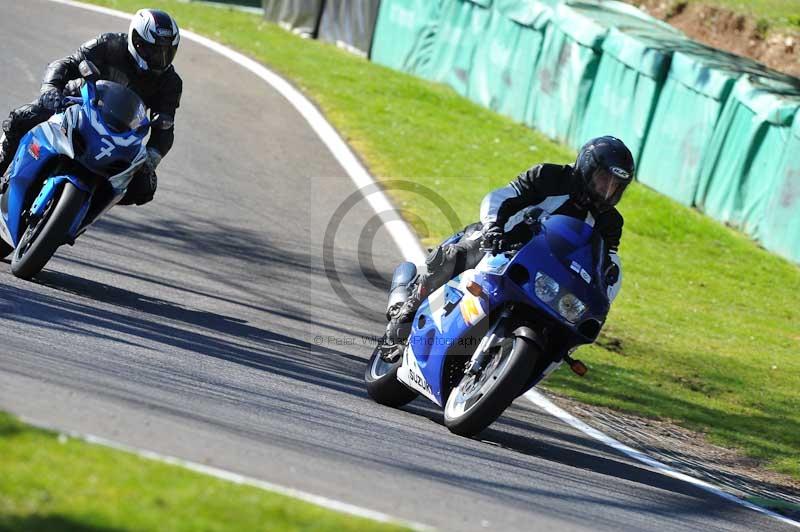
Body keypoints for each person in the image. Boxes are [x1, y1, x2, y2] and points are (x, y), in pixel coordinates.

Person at [386, 135, 634, 345]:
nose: (607, 190)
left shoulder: (610, 222)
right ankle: (410, 308)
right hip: (500, 245)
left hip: (544, 275)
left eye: (615, 186)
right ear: (588, 169)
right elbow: (503, 196)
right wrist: (494, 227)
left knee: (562, 334)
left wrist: (602, 298)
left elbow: (609, 264)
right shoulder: (549, 176)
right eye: (603, 180)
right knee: (456, 255)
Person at [0, 9, 182, 206]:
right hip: (76, 103)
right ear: (137, 41)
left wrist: (153, 155)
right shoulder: (108, 44)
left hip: (121, 134)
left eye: (167, 52)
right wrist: (51, 88)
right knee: (23, 117)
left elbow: (165, 126)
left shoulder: (170, 82)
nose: (161, 59)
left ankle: (81, 214)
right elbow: (67, 63)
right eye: (154, 50)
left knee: (143, 187)